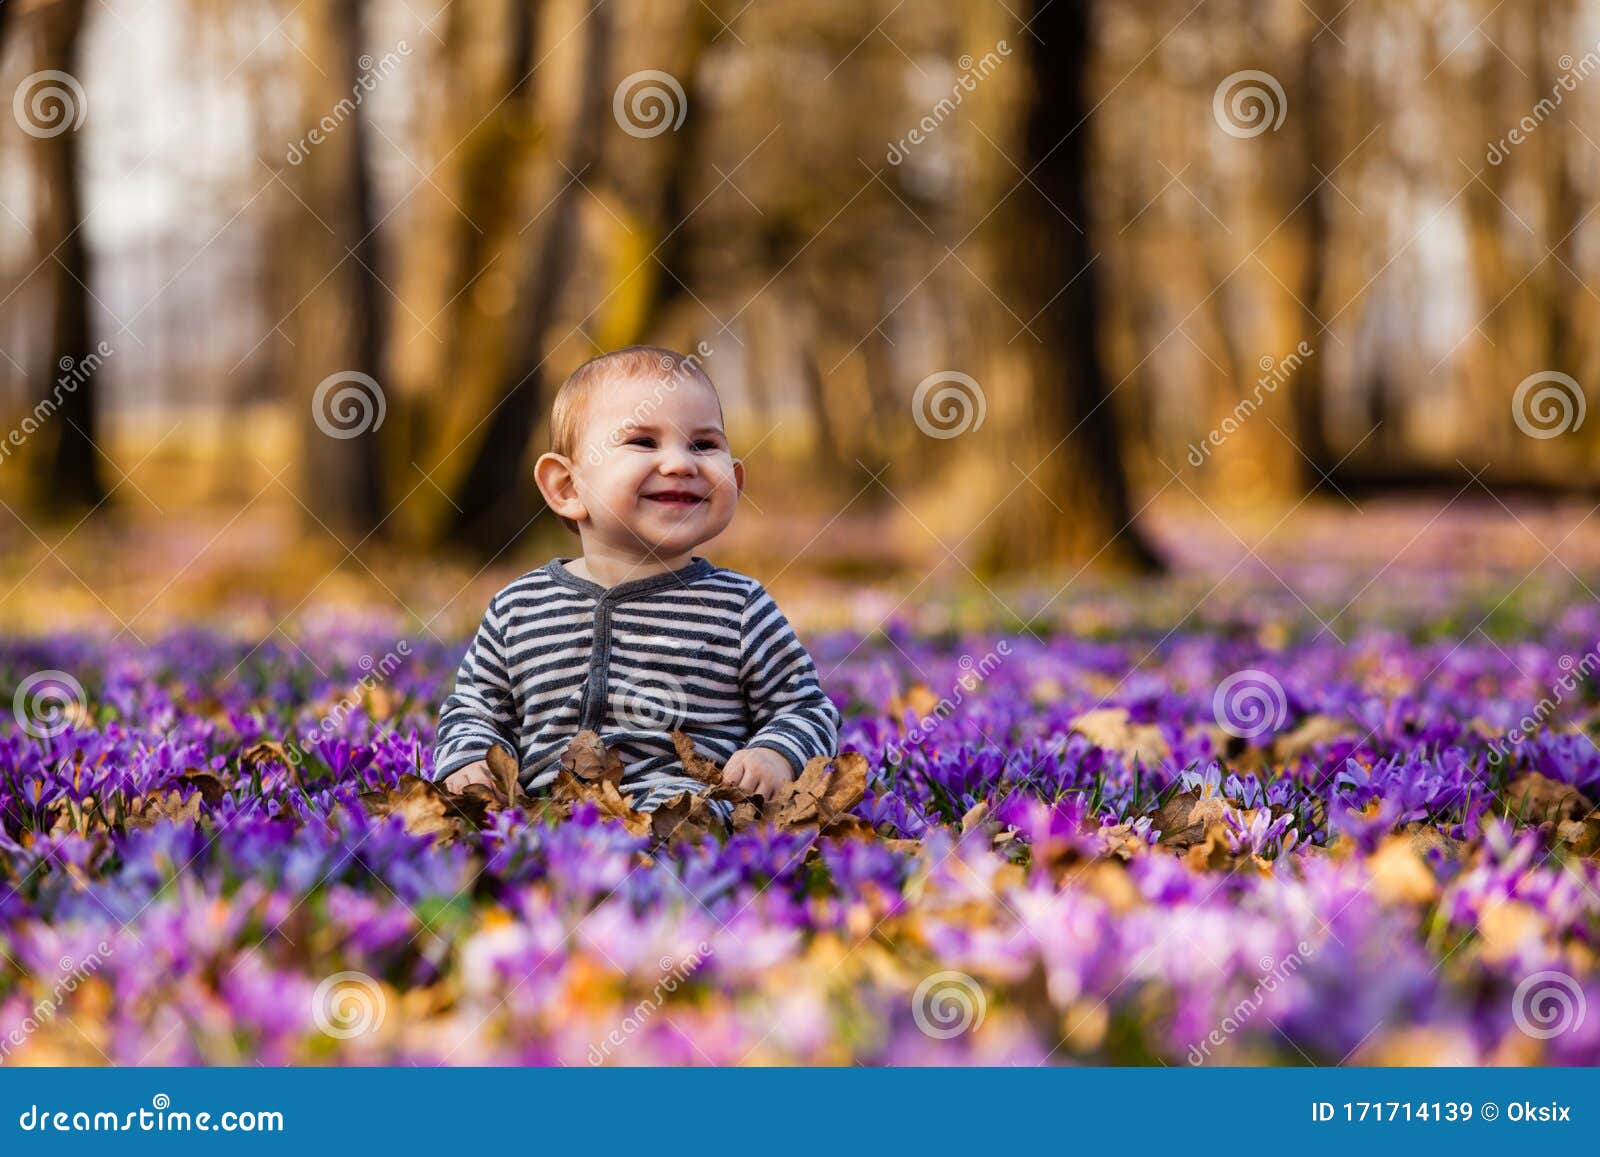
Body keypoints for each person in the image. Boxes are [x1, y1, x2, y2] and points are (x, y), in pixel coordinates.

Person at [432, 345, 840, 812]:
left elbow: (807, 708)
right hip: (543, 822)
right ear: (567, 487)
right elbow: (473, 711)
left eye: (704, 445)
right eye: (644, 442)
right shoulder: (518, 608)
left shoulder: (740, 607)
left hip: (690, 825)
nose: (682, 464)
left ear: (735, 480)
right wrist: (467, 761)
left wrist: (775, 753)